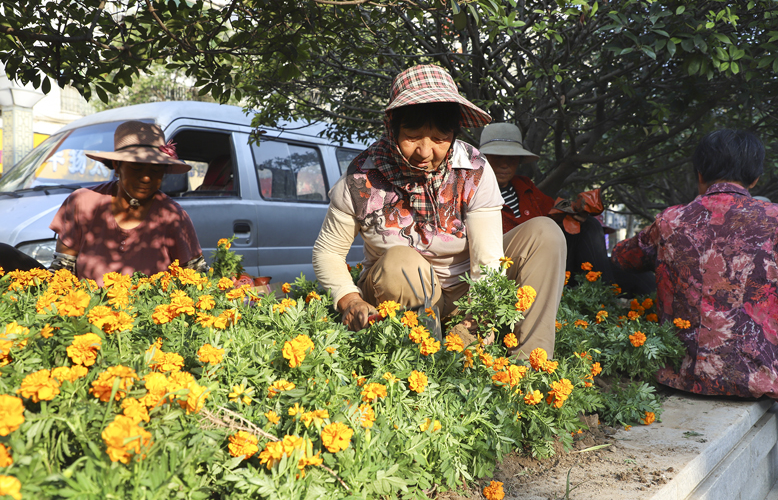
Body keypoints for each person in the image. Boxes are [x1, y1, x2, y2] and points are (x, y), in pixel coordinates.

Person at [312, 65, 566, 358]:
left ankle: (529, 363)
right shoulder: (360, 180)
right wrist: (350, 300)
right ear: (392, 128)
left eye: (438, 139)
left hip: (465, 293)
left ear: (454, 134)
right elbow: (328, 252)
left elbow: (488, 259)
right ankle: (416, 353)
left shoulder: (473, 171)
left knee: (545, 233)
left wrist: (477, 319)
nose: (424, 151)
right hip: (398, 289)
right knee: (400, 260)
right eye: (412, 136)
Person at [612, 129, 778, 399]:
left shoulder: (670, 220)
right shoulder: (773, 219)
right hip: (757, 381)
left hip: (679, 379)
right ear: (756, 178)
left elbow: (622, 258)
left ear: (699, 173)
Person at [479, 122, 655, 296]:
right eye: (497, 157)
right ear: (484, 159)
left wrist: (576, 208)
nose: (505, 164)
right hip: (516, 266)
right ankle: (600, 299)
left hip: (555, 260)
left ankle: (602, 292)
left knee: (644, 279)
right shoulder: (475, 191)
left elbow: (553, 206)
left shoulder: (524, 185)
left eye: (511, 158)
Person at [48, 121, 207, 286]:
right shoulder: (81, 203)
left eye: (155, 170)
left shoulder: (173, 216)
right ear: (117, 166)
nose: (146, 178)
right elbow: (62, 271)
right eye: (137, 168)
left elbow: (196, 277)